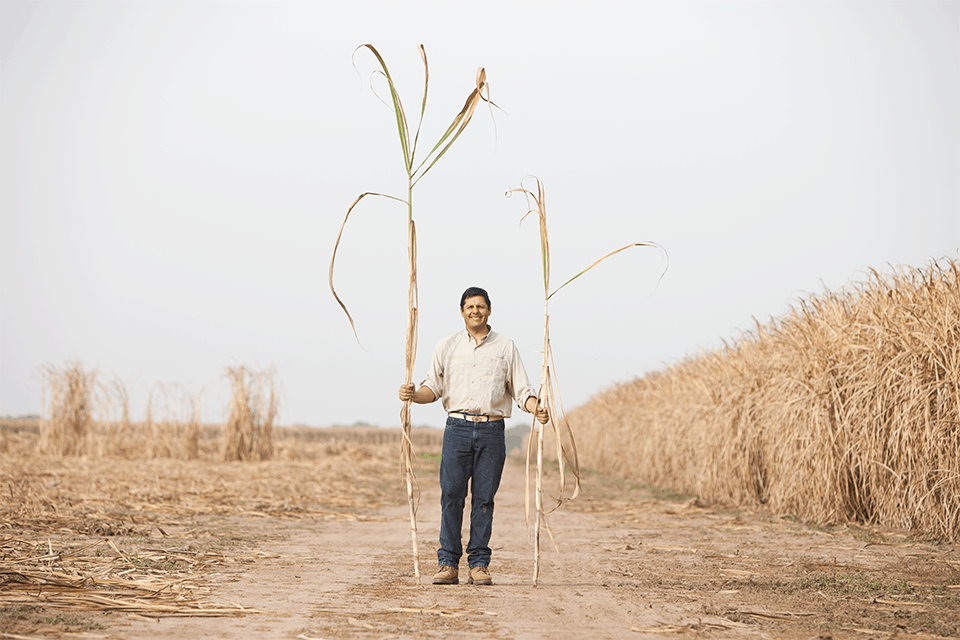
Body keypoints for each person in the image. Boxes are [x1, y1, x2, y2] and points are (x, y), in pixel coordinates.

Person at [399, 286, 549, 586]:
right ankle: (447, 564)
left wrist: (536, 409)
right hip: (457, 428)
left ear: (489, 310)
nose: (475, 311)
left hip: (492, 430)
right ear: (462, 311)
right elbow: (433, 388)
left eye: (481, 306)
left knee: (484, 499)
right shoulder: (447, 346)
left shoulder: (506, 347)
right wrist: (413, 395)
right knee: (451, 497)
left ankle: (479, 564)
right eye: (470, 306)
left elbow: (521, 390)